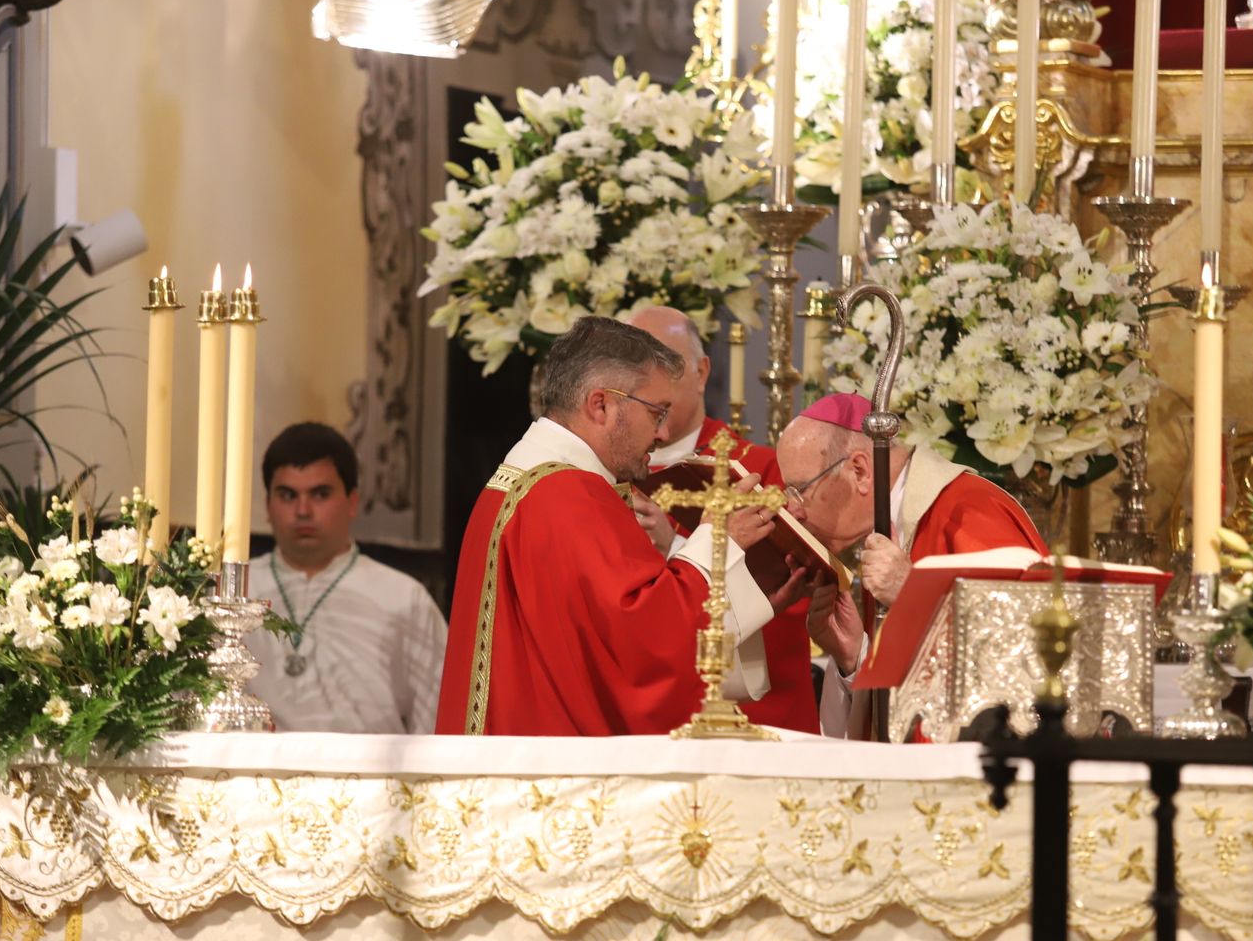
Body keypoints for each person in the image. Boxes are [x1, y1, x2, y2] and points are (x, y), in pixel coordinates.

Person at [436, 316, 806, 736]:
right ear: (601, 405)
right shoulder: (566, 496)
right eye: (656, 412)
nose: (663, 433)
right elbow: (640, 645)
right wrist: (719, 542)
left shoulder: (534, 481)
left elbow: (597, 642)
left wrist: (747, 601)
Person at [775, 392, 1047, 738]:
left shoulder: (970, 515)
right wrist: (854, 658)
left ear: (859, 470)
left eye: (799, 490)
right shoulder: (889, 528)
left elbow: (1031, 665)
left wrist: (912, 595)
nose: (793, 510)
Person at [625, 306, 819, 735]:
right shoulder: (608, 472)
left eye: (667, 364)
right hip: (644, 710)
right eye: (636, 368)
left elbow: (792, 590)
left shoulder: (758, 471)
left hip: (746, 716)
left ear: (701, 371)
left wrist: (675, 549)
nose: (652, 381)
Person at [246, 422, 445, 733]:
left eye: (320, 494)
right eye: (287, 495)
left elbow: (437, 722)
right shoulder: (233, 594)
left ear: (352, 501)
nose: (302, 510)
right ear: (267, 506)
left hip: (374, 780)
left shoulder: (404, 598)